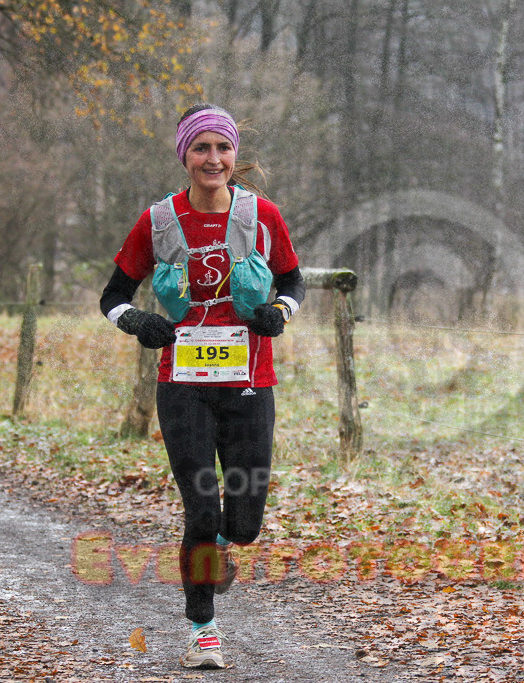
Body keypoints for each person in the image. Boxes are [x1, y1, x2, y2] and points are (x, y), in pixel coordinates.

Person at [99, 103, 305, 669]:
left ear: (234, 155)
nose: (213, 159)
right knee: (201, 509)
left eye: (222, 148)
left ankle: (221, 548)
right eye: (201, 148)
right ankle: (202, 630)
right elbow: (112, 295)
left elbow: (291, 278)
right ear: (184, 155)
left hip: (248, 384)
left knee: (242, 524)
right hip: (183, 385)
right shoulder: (159, 221)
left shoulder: (263, 215)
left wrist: (280, 310)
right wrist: (136, 321)